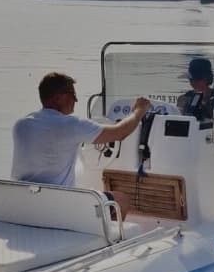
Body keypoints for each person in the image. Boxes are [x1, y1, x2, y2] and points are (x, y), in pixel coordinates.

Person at [11, 72, 151, 218]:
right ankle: (110, 239)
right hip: (60, 206)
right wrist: (139, 111)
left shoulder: (21, 124)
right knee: (122, 200)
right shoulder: (71, 125)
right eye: (73, 94)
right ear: (58, 97)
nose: (76, 100)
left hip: (26, 204)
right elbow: (120, 132)